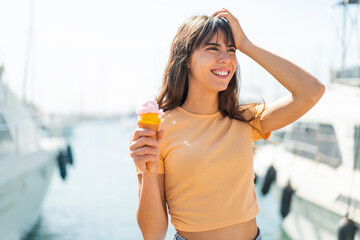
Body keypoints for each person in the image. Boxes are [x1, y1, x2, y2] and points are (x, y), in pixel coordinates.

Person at [129, 8, 325, 240]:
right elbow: (153, 234)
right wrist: (148, 170)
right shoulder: (158, 130)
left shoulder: (246, 119)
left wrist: (246, 44)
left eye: (231, 50)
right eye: (212, 48)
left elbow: (311, 92)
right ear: (186, 60)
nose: (226, 58)